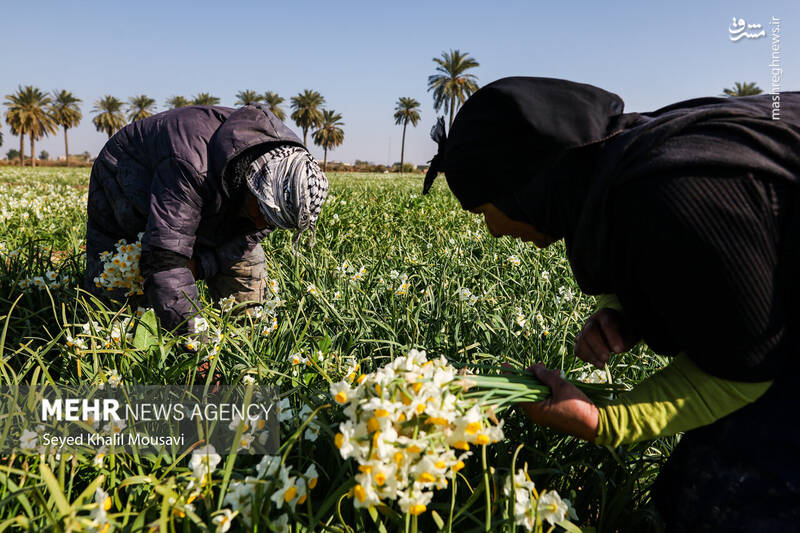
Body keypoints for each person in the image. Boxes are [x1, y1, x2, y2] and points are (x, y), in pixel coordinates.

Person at [423, 77, 799, 530]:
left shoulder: (670, 192)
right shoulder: (629, 161)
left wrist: (603, 422)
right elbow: (714, 277)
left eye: (483, 210)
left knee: (734, 503)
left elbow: (745, 369)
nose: (493, 231)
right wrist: (628, 309)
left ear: (518, 185)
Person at [85, 103, 328, 336]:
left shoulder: (283, 174)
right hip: (126, 180)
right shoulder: (191, 164)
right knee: (122, 283)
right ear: (252, 184)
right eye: (265, 213)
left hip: (204, 192)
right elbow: (164, 261)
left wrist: (201, 265)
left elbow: (243, 243)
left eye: (275, 221)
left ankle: (242, 343)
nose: (265, 225)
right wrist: (197, 345)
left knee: (246, 268)